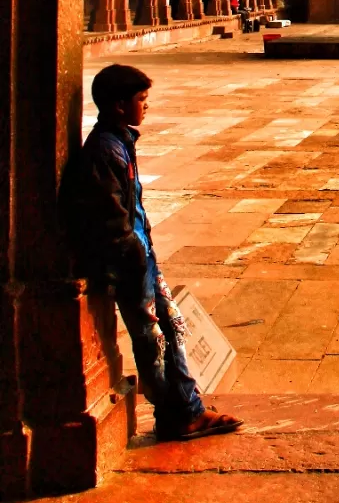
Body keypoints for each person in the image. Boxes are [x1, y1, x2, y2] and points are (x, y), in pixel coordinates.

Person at [61, 64, 243, 442]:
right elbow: (110, 217)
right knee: (152, 339)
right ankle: (175, 414)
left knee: (171, 327)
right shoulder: (104, 151)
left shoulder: (120, 141)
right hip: (128, 262)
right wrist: (133, 253)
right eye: (141, 100)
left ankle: (188, 407)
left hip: (140, 255)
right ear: (117, 105)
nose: (146, 106)